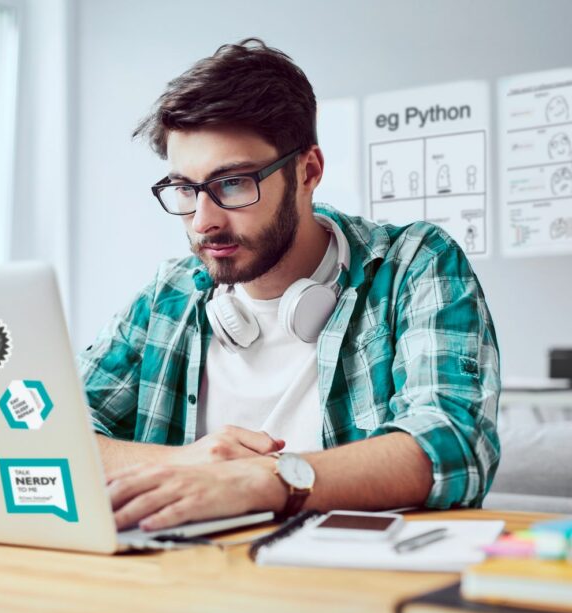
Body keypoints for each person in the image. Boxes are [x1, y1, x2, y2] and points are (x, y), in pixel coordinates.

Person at [78, 39, 501, 531]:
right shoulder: (169, 295)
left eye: (232, 183)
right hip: (183, 580)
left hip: (345, 583)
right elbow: (43, 433)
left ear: (308, 171)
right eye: (185, 190)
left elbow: (452, 443)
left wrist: (264, 481)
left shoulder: (412, 264)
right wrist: (187, 464)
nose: (202, 221)